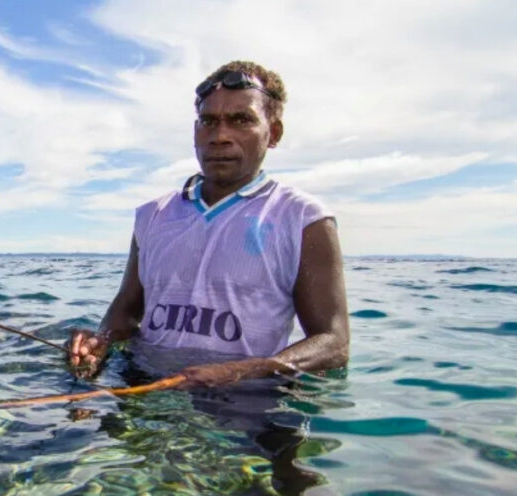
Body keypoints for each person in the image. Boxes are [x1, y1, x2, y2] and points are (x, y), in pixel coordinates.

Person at [69, 60, 349, 386]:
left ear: (273, 133)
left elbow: (334, 342)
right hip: (145, 388)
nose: (220, 136)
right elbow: (127, 311)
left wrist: (244, 370)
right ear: (195, 132)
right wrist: (98, 343)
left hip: (245, 402)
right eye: (208, 121)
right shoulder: (153, 215)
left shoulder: (303, 217)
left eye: (241, 120)